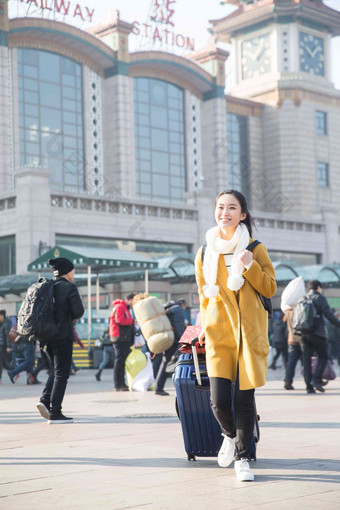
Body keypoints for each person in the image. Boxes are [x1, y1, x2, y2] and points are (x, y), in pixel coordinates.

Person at [195, 189, 276, 482]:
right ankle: (229, 436)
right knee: (218, 401)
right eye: (220, 207)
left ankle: (243, 459)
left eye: (232, 208)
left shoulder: (255, 247)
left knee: (244, 400)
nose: (224, 213)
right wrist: (203, 326)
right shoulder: (205, 252)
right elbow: (204, 296)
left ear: (243, 214)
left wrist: (249, 265)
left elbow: (269, 288)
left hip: (248, 333)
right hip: (219, 332)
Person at [36, 257, 84, 423]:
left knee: (56, 371)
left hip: (44, 336)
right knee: (62, 373)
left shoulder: (46, 286)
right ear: (67, 272)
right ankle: (56, 413)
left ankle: (44, 400)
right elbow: (78, 311)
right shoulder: (69, 287)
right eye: (73, 271)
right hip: (62, 336)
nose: (74, 273)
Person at [300, 280, 340, 394]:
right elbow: (330, 315)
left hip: (303, 333)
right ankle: (316, 379)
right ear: (318, 287)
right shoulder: (320, 298)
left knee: (306, 360)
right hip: (318, 333)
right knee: (323, 356)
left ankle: (309, 387)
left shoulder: (302, 299)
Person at [154, 300, 186, 396]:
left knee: (165, 362)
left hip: (168, 338)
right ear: (183, 305)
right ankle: (160, 388)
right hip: (174, 340)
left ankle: (158, 387)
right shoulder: (179, 309)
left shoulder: (169, 309)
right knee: (173, 362)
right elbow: (179, 326)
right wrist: (183, 340)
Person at [109, 294, 134, 391]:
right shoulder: (120, 307)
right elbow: (120, 320)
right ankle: (118, 385)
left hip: (123, 337)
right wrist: (132, 321)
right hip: (120, 337)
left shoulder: (123, 307)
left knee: (122, 361)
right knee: (119, 361)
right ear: (130, 300)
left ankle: (122, 383)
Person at [283, 308, 302, 390]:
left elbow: (284, 320)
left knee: (291, 363)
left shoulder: (288, 312)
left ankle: (288, 381)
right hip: (302, 339)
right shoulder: (300, 308)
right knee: (307, 362)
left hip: (291, 339)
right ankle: (310, 382)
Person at [0, 310, 12, 382]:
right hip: (1, 345)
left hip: (3, 346)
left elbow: (8, 336)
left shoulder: (6, 324)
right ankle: (14, 371)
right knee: (4, 362)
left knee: (0, 362)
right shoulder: (2, 324)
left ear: (2, 316)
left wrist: (8, 346)